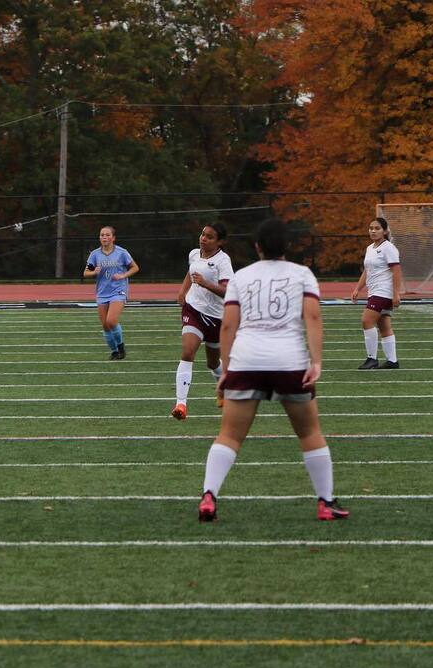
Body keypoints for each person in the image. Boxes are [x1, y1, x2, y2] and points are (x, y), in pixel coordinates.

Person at [198, 219, 348, 522]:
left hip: (246, 359)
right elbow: (314, 318)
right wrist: (316, 362)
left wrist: (226, 369)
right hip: (288, 360)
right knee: (309, 433)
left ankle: (209, 496)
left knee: (229, 435)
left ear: (257, 247)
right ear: (287, 247)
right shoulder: (302, 274)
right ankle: (325, 502)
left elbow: (228, 324)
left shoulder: (242, 276)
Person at [172, 224, 234, 420]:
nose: (203, 239)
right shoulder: (194, 254)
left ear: (220, 241)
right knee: (188, 352)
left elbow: (228, 291)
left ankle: (222, 388)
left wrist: (206, 283)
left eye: (209, 237)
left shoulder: (223, 261)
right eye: (202, 234)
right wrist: (183, 291)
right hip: (193, 310)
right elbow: (191, 273)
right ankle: (181, 404)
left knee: (212, 362)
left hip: (216, 317)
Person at [350, 216, 402, 369]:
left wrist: (396, 293)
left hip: (384, 291)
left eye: (377, 228)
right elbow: (367, 271)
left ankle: (371, 359)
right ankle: (392, 361)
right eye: (371, 228)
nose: (373, 231)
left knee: (366, 321)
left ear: (385, 231)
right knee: (384, 325)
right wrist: (358, 288)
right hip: (374, 291)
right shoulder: (369, 248)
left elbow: (396, 271)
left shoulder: (388, 247)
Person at [83, 226, 139, 359]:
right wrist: (93, 272)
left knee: (111, 320)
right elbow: (85, 273)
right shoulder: (95, 254)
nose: (104, 237)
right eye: (102, 235)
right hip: (102, 292)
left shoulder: (121, 252)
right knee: (105, 325)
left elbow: (135, 268)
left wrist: (123, 275)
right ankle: (114, 351)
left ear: (113, 238)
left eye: (107, 235)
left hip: (118, 290)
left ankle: (120, 346)